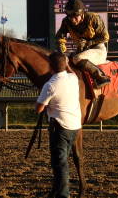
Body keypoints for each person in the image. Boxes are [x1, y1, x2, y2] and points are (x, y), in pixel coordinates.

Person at [35, 52, 81, 198]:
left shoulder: (50, 85)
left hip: (59, 128)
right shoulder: (73, 78)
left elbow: (39, 109)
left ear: (50, 66)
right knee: (62, 160)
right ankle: (56, 191)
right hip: (74, 126)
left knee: (60, 163)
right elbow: (72, 72)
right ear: (65, 64)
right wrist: (67, 64)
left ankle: (63, 195)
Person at [56, 0, 111, 88]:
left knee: (77, 58)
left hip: (98, 49)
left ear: (82, 13)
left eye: (75, 16)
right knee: (65, 60)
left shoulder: (93, 17)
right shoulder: (66, 21)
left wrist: (88, 43)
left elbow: (105, 37)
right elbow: (59, 36)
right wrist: (61, 44)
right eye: (70, 16)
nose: (72, 20)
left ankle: (101, 77)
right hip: (81, 51)